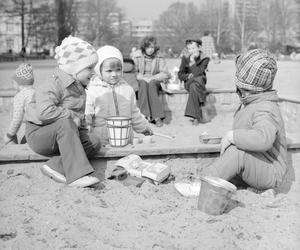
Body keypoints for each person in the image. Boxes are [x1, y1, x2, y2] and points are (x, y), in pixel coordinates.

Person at [202, 49, 288, 193]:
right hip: (258, 164)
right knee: (230, 156)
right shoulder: (254, 102)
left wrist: (232, 136)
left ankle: (203, 185)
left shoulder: (266, 108)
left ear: (245, 89)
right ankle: (216, 176)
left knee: (237, 153)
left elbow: (263, 139)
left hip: (270, 172)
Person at [25, 36, 101, 188]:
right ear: (75, 67)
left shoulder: (79, 87)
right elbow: (44, 112)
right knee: (65, 123)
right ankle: (77, 176)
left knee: (94, 141)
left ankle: (55, 165)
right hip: (40, 135)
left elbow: (79, 117)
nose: (94, 73)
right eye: (89, 68)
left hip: (64, 135)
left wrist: (83, 130)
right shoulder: (53, 83)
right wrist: (71, 116)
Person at [85, 45, 153, 145]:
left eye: (118, 69)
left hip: (125, 137)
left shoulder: (127, 90)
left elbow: (134, 113)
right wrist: (87, 128)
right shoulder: (93, 90)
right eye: (109, 71)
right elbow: (87, 112)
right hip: (102, 140)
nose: (114, 74)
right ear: (99, 70)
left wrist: (144, 127)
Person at [133, 36, 170, 127]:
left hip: (155, 79)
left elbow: (165, 73)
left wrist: (153, 78)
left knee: (151, 85)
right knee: (143, 84)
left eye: (152, 47)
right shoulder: (137, 56)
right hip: (142, 79)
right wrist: (142, 78)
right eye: (148, 47)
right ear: (144, 47)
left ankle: (157, 117)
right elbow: (134, 71)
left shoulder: (159, 57)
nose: (150, 50)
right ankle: (145, 115)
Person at [178, 39, 210, 125]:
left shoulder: (205, 58)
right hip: (189, 81)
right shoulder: (185, 57)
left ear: (199, 47)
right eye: (189, 49)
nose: (191, 51)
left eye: (193, 48)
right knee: (194, 84)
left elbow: (198, 73)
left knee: (194, 85)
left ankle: (195, 117)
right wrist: (188, 76)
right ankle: (201, 102)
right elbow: (180, 74)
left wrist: (192, 62)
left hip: (200, 81)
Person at [4, 63, 35, 145]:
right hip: (41, 128)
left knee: (9, 139)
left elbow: (17, 120)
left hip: (32, 132)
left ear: (18, 83)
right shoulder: (35, 92)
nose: (12, 84)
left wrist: (9, 135)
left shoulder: (20, 96)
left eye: (12, 82)